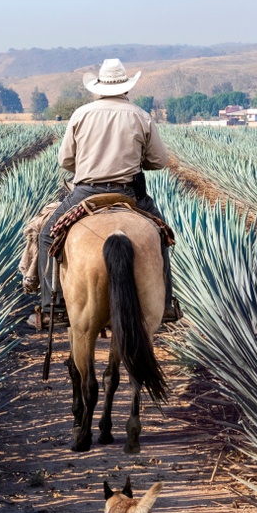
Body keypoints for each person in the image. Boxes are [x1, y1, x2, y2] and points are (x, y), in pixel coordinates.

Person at [31, 58, 177, 329]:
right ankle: (165, 304)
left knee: (47, 235)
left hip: (85, 192)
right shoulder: (140, 115)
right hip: (129, 193)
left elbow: (65, 161)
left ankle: (53, 303)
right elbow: (158, 161)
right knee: (161, 236)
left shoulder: (81, 114)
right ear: (126, 88)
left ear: (98, 87)